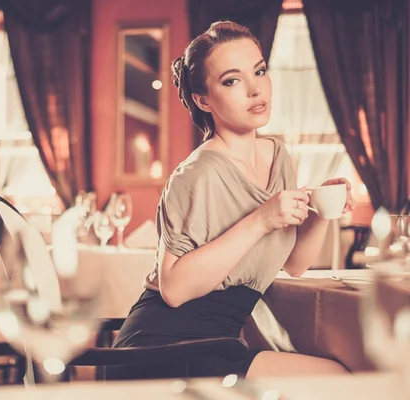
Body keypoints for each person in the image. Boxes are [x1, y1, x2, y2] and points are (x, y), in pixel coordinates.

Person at [111, 21, 354, 379]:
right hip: (162, 348)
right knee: (332, 379)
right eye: (232, 80)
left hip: (217, 344)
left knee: (337, 375)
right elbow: (174, 289)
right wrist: (260, 220)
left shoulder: (279, 156)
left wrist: (321, 208)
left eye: (259, 71)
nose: (255, 89)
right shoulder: (196, 174)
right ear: (202, 99)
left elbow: (296, 264)